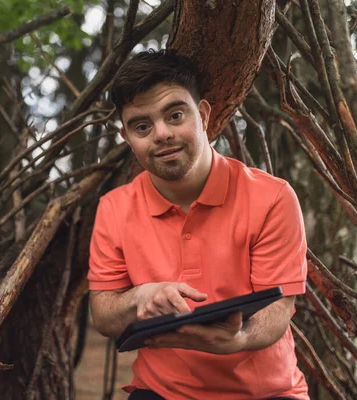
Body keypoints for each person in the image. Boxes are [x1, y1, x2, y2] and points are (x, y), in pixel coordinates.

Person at [87, 49, 309, 400]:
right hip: (162, 391)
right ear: (128, 138)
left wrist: (239, 339)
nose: (161, 134)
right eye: (142, 126)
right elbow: (103, 315)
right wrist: (140, 298)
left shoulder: (272, 197)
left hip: (269, 392)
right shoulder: (113, 209)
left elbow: (279, 308)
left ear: (203, 114)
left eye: (175, 115)